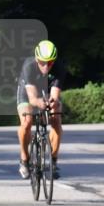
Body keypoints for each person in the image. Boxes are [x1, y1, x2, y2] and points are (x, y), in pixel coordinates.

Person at [17, 40, 66, 180]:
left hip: (47, 91)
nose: (46, 66)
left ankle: (53, 161)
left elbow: (55, 95)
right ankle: (24, 159)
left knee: (56, 116)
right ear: (37, 59)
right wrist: (39, 103)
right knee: (27, 121)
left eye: (50, 62)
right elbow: (32, 98)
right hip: (27, 93)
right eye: (42, 62)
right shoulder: (29, 66)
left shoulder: (59, 68)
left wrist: (52, 103)